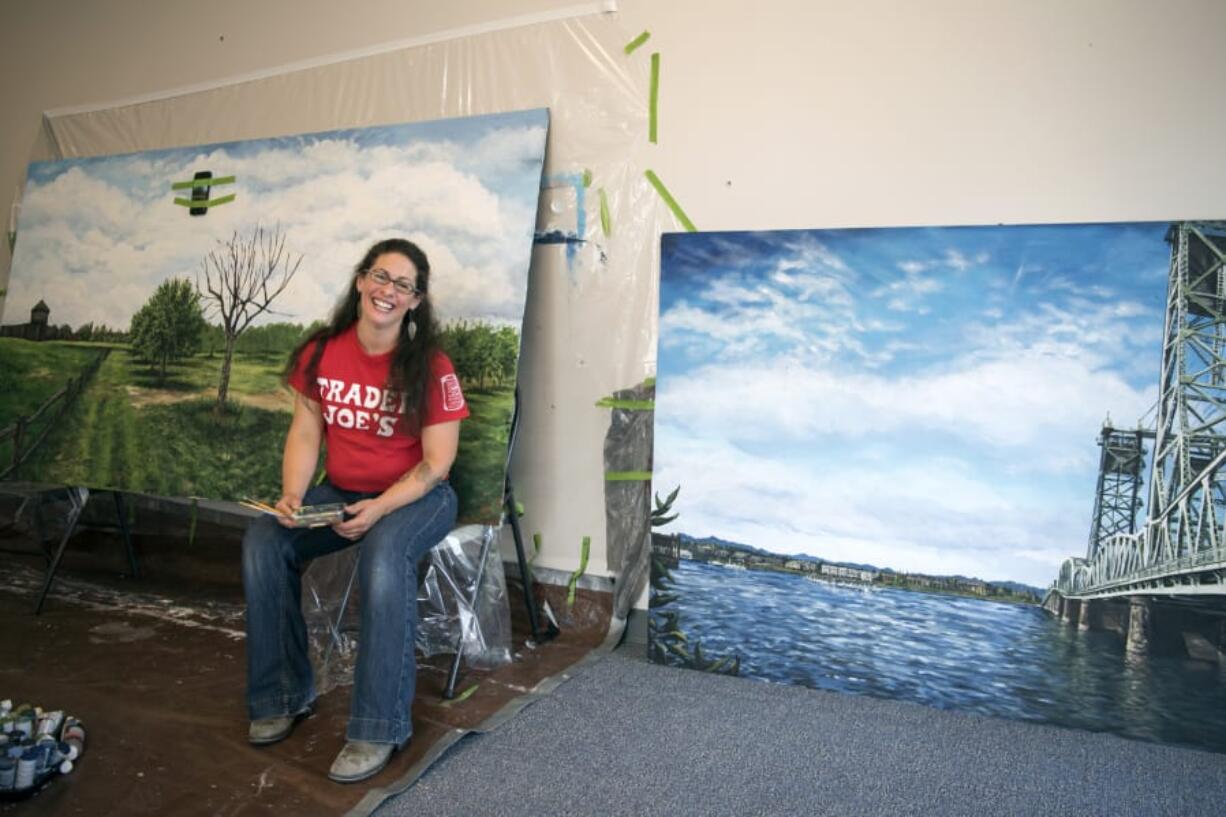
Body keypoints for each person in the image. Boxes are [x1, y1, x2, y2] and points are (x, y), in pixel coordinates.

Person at [242, 238, 469, 783]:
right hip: (341, 492)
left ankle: (377, 727)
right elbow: (305, 432)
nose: (388, 291)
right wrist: (293, 495)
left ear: (416, 301)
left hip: (417, 497)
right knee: (264, 542)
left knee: (385, 558)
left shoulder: (432, 367)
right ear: (361, 281)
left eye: (403, 285)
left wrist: (381, 507)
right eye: (380, 277)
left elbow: (437, 464)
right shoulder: (321, 351)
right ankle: (280, 696)